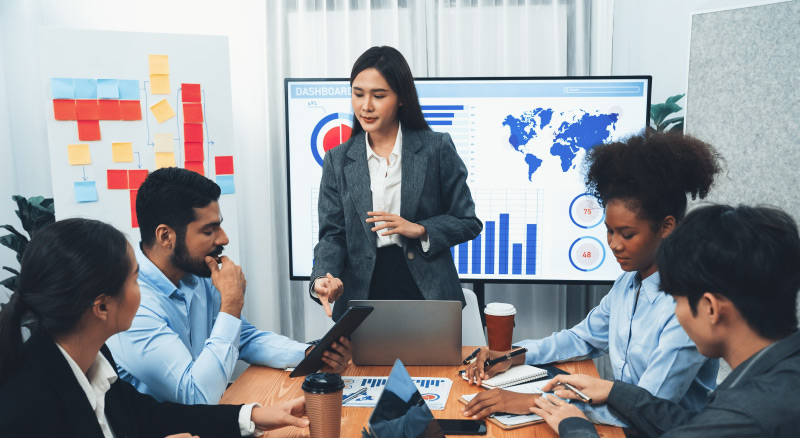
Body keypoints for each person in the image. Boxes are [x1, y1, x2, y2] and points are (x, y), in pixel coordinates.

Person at [463, 133, 722, 427]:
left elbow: (648, 406)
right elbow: (582, 338)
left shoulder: (687, 311)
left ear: (666, 227)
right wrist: (513, 355)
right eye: (609, 231)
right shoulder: (628, 283)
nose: (614, 244)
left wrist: (532, 403)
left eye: (627, 234)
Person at [0, 218, 309, 437]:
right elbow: (194, 397)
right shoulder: (25, 405)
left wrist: (259, 415)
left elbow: (151, 416)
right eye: (135, 279)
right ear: (102, 307)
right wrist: (231, 304)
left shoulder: (93, 356)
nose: (142, 289)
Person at [532, 205, 800, 438]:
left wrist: (575, 427)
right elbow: (692, 424)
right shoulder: (779, 374)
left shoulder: (744, 416)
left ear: (711, 308)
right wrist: (615, 392)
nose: (676, 313)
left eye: (675, 298)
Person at [107, 167, 352, 405]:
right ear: (165, 237)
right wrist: (231, 303)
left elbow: (242, 337)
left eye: (219, 225)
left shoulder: (198, 273)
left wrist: (310, 355)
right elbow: (196, 395)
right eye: (209, 230)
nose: (223, 239)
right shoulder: (133, 303)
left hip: (206, 421)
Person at [310, 45, 482, 321]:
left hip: (427, 291)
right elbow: (332, 235)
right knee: (363, 367)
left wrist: (420, 229)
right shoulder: (337, 160)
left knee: (431, 366)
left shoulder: (436, 148)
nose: (366, 106)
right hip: (362, 292)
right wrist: (322, 276)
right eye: (358, 94)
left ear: (401, 97)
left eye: (378, 95)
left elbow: (468, 221)